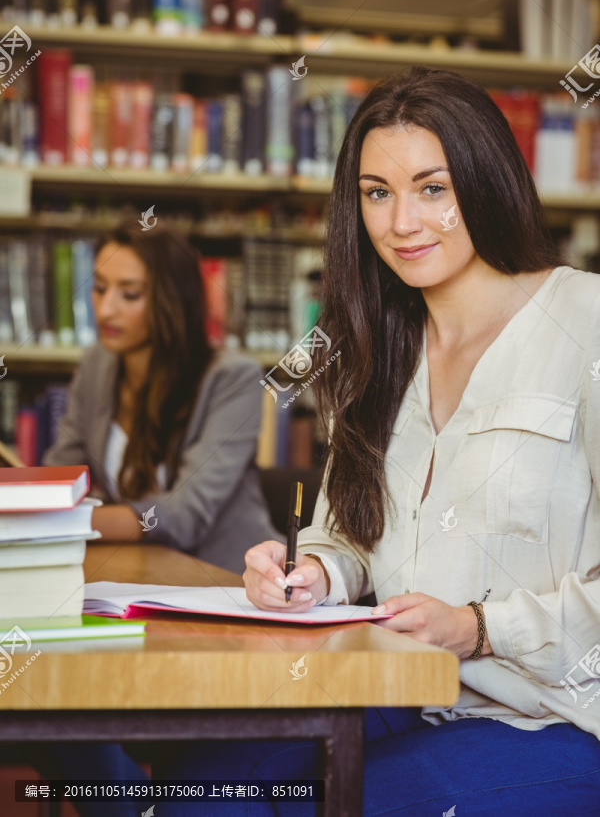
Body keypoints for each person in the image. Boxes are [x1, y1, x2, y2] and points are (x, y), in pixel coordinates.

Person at [153, 66, 600, 815]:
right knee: (201, 792)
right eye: (377, 193)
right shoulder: (379, 344)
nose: (401, 223)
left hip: (550, 714)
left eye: (433, 188)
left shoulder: (584, 322)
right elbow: (351, 539)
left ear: (486, 181)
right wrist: (313, 576)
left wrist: (481, 628)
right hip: (391, 684)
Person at [43, 221, 283, 574]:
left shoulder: (233, 377)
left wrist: (63, 523)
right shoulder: (97, 365)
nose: (106, 310)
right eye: (98, 288)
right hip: (135, 574)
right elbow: (62, 474)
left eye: (130, 294)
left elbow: (185, 514)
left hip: (230, 585)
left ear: (171, 299)